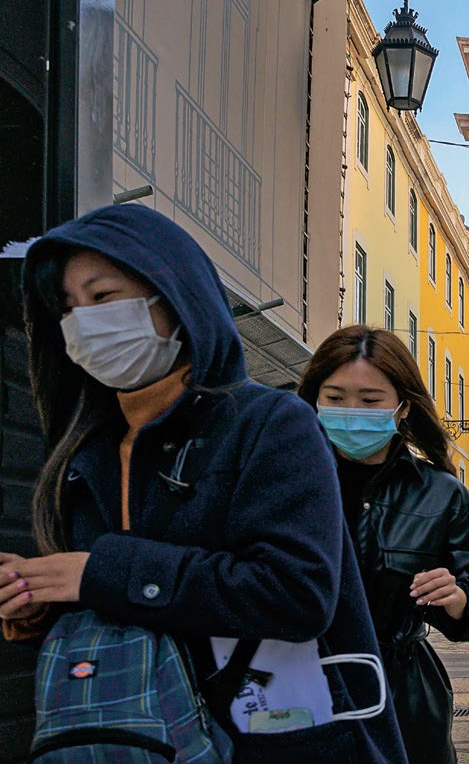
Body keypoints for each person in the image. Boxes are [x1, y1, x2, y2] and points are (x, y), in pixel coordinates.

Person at [0, 204, 406, 762]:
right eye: (67, 308)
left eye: (103, 297)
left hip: (269, 740)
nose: (83, 321)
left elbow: (297, 593)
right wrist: (36, 598)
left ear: (175, 297)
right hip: (124, 742)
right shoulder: (80, 452)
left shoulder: (271, 423)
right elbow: (107, 597)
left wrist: (102, 573)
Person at [297, 326, 469, 764]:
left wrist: (459, 598)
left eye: (371, 400)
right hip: (293, 688)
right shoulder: (280, 479)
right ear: (313, 399)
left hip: (402, 698)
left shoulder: (443, 494)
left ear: (402, 407)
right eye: (335, 398)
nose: (352, 411)